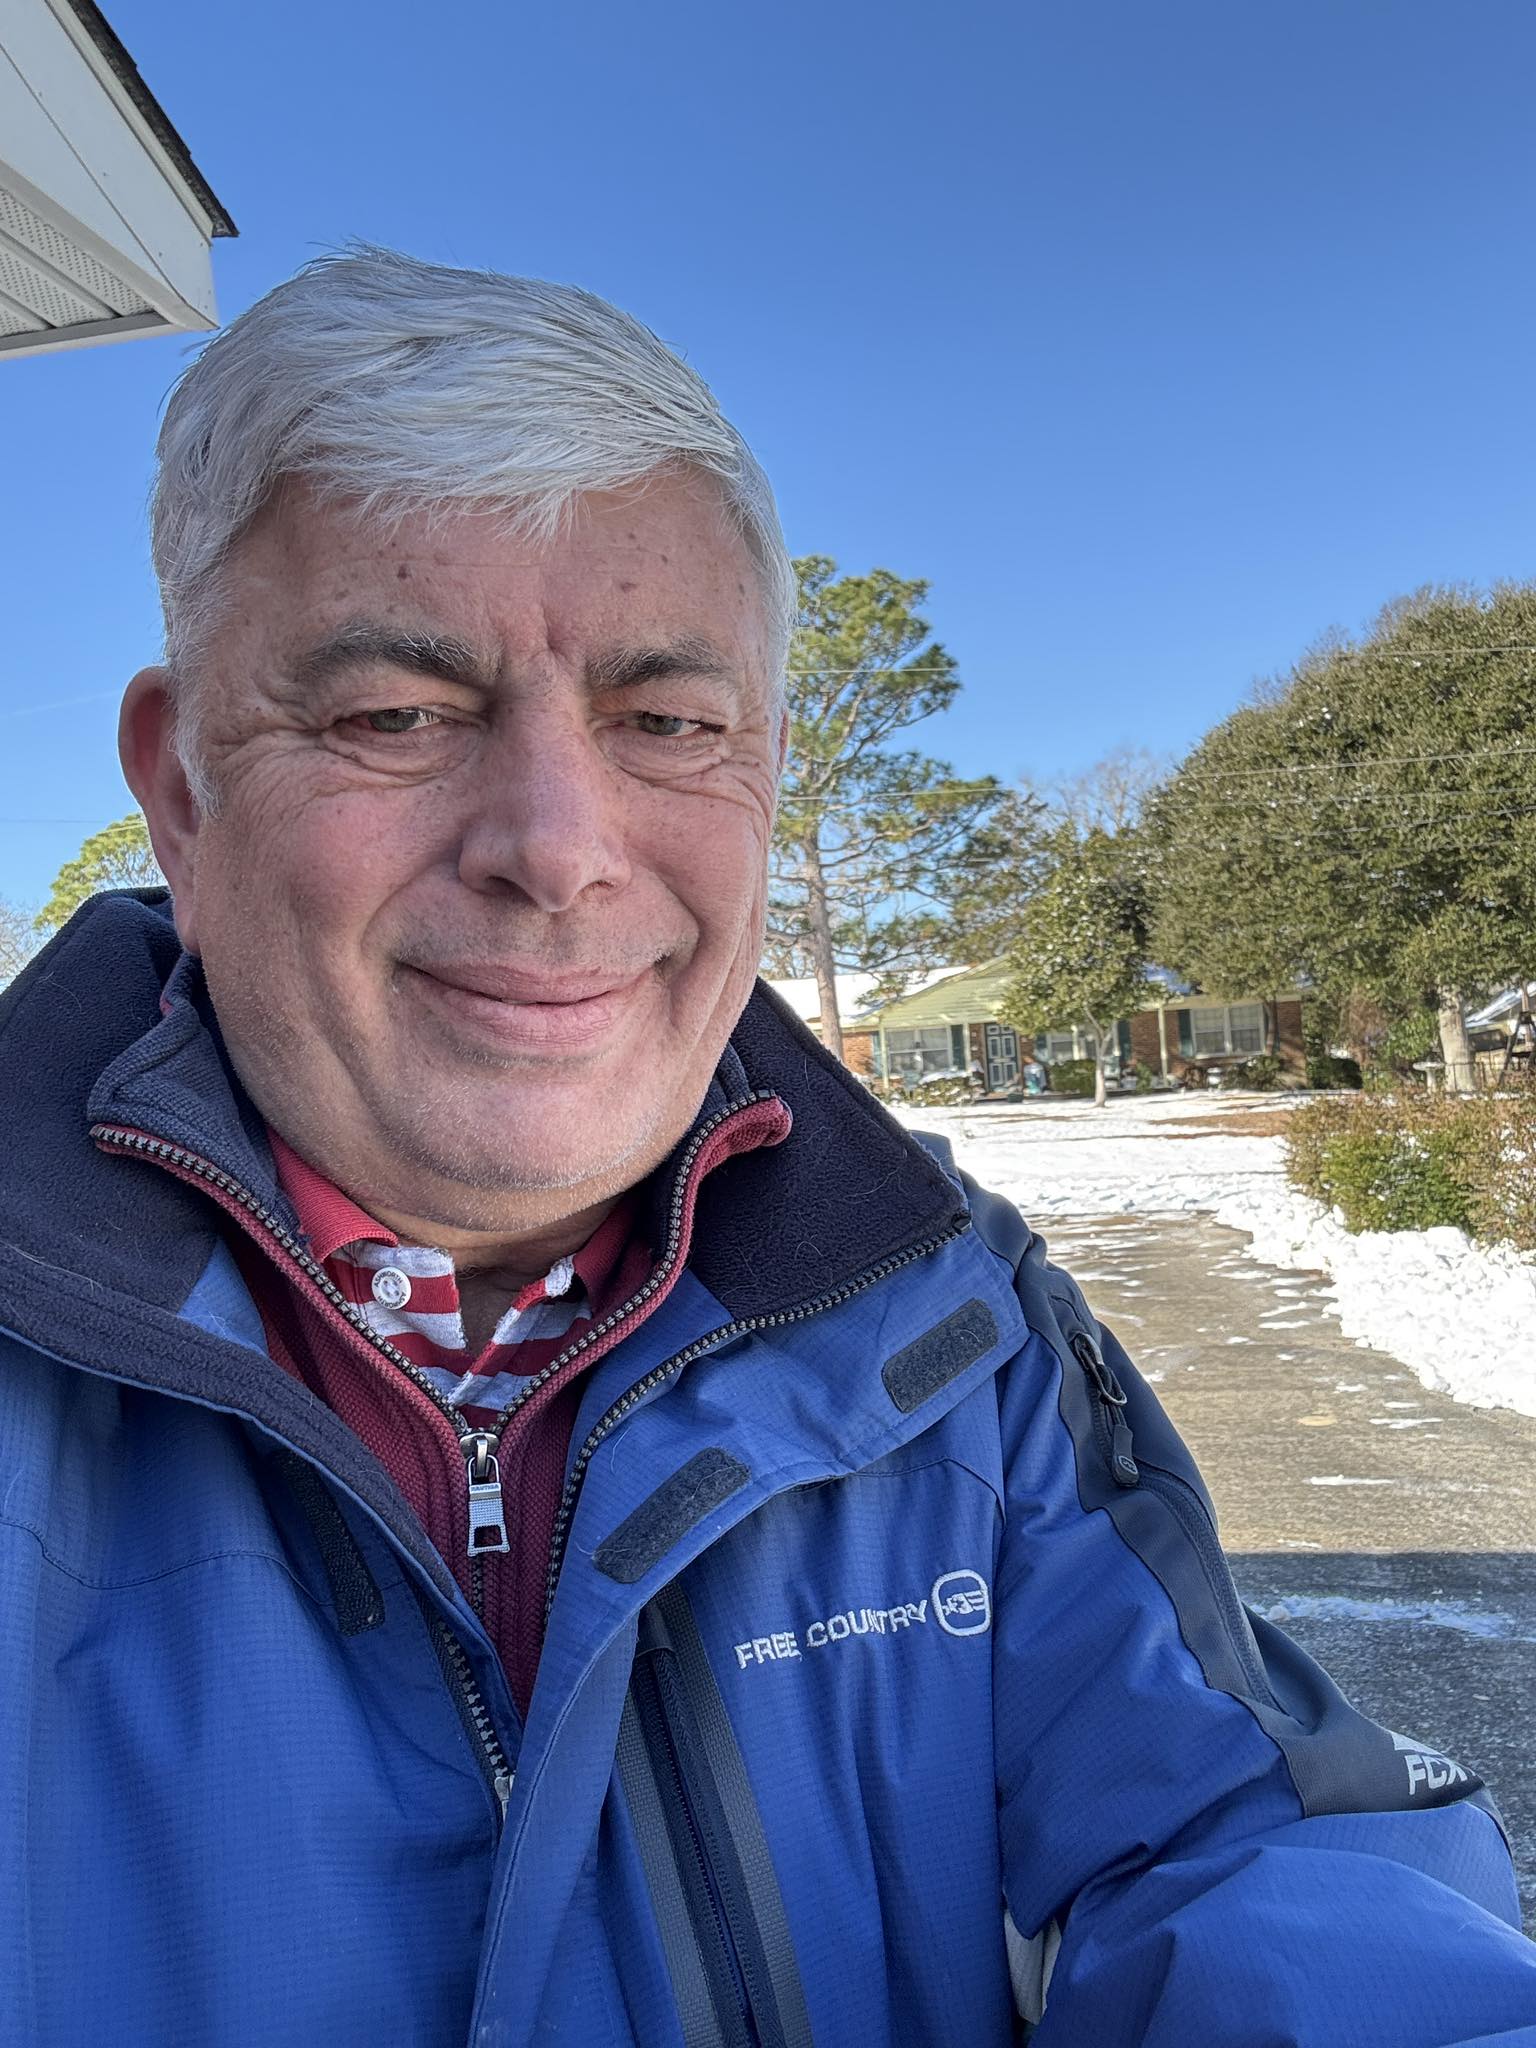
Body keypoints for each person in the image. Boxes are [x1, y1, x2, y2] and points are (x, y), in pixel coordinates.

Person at [1, 249, 1532, 2048]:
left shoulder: (948, 1328)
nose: (559, 847)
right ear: (183, 791)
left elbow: (1247, 1844)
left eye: (668, 723)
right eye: (397, 715)